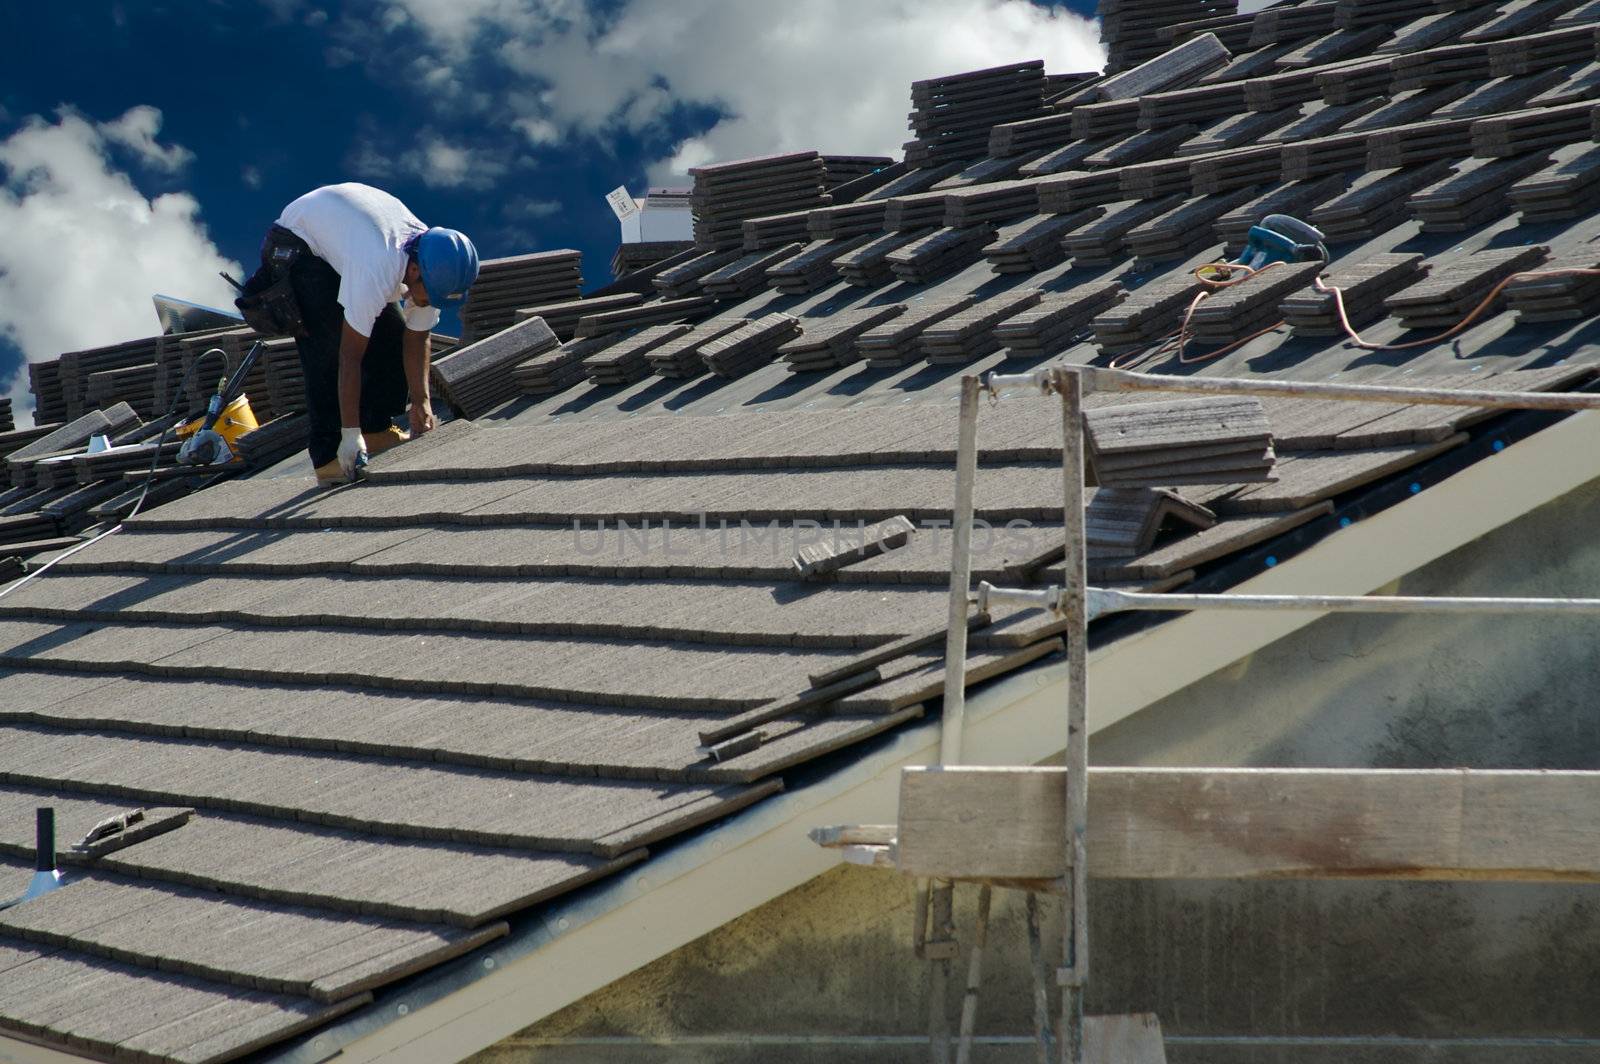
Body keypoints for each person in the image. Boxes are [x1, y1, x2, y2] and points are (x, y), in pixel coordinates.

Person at [258, 183, 479, 485]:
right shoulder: (377, 266)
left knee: (393, 334)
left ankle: (375, 430)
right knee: (328, 346)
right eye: (431, 296)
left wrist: (422, 401)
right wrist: (350, 434)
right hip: (299, 245)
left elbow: (417, 337)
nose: (429, 302)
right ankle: (328, 457)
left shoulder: (432, 262)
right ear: (414, 272)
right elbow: (350, 356)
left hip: (345, 237)